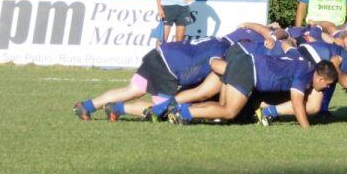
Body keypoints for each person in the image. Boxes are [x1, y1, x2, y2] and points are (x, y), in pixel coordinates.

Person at [169, 45, 338, 128]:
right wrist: (307, 129)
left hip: (243, 62)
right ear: (321, 79)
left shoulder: (304, 63)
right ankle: (184, 113)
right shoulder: (305, 72)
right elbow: (296, 101)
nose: (325, 89)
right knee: (229, 111)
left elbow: (289, 48)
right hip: (248, 69)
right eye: (327, 85)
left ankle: (184, 109)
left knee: (223, 108)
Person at [72, 36, 229, 121]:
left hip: (157, 55)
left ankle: (86, 106)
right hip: (167, 69)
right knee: (164, 110)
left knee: (131, 90)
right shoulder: (223, 51)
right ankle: (117, 109)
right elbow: (216, 65)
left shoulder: (216, 40)